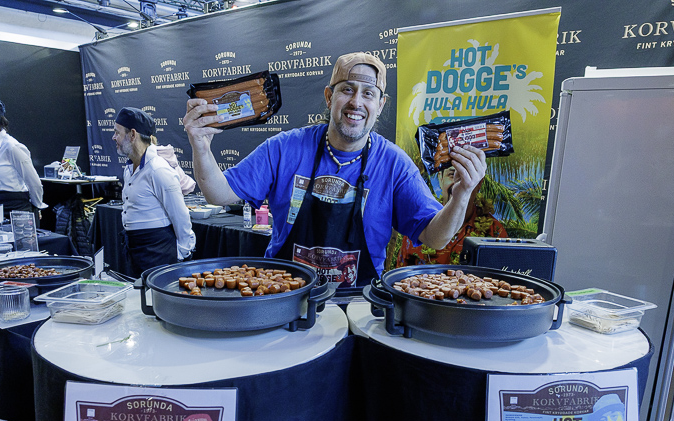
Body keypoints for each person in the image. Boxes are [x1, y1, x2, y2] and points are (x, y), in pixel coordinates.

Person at [183, 52, 487, 288]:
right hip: (283, 293)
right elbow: (218, 194)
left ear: (380, 105)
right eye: (347, 90)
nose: (356, 102)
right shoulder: (286, 148)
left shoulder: (394, 164)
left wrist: (460, 196)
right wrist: (201, 146)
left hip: (357, 302)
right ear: (329, 97)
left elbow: (435, 238)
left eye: (368, 93)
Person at [113, 107, 195, 277]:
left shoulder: (158, 169)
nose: (114, 137)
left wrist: (181, 252)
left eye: (117, 133)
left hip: (158, 252)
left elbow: (180, 215)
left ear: (132, 135)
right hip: (135, 249)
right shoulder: (129, 168)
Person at [395, 165, 508, 267]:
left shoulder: (495, 232)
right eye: (452, 175)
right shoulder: (420, 224)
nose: (459, 185)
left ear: (479, 183)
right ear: (440, 179)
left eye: (467, 176)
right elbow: (400, 277)